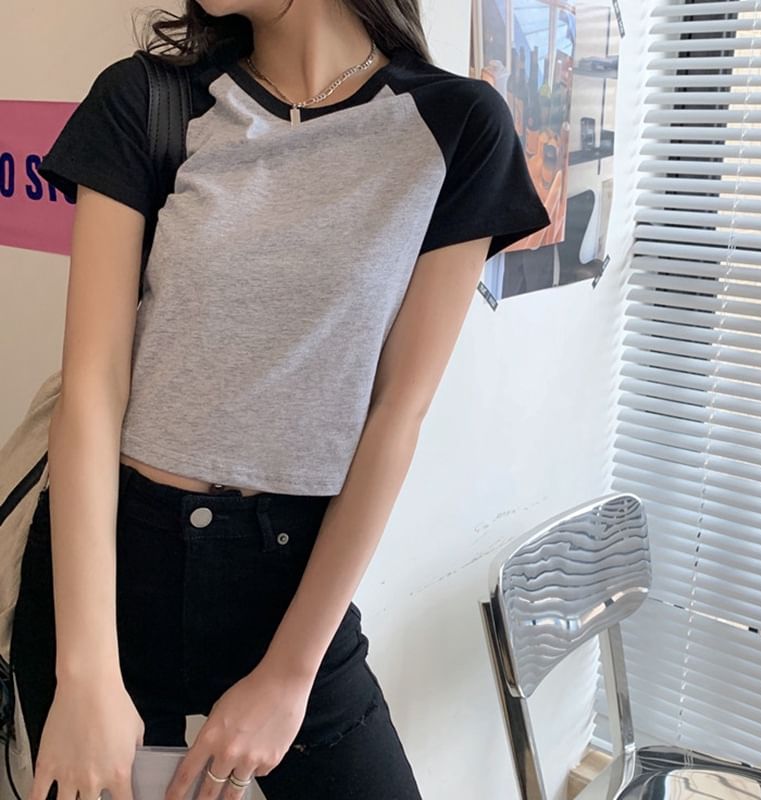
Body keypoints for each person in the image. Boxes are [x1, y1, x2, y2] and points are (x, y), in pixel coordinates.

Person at [11, 0, 549, 798]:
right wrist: (85, 671)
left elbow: (396, 414)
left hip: (289, 581)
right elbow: (91, 387)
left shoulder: (457, 126)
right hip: (112, 568)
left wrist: (292, 675)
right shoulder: (149, 99)